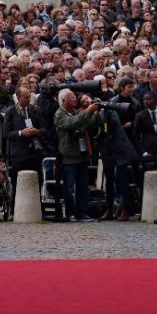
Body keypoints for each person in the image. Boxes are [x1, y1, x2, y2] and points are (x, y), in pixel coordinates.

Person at [53, 88, 101, 222]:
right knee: (69, 188)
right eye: (72, 98)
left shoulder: (75, 112)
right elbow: (73, 123)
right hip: (69, 157)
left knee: (83, 187)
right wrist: (88, 111)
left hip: (81, 154)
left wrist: (96, 114)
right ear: (63, 101)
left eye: (75, 97)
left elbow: (89, 126)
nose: (75, 100)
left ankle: (82, 212)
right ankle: (69, 213)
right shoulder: (59, 114)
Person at [2, 82, 48, 205]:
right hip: (19, 153)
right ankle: (15, 208)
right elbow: (6, 134)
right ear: (18, 97)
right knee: (18, 182)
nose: (28, 100)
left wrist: (36, 131)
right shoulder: (11, 111)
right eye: (25, 97)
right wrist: (21, 133)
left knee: (37, 180)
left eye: (29, 97)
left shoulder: (35, 109)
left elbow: (45, 130)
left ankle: (38, 207)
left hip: (35, 151)